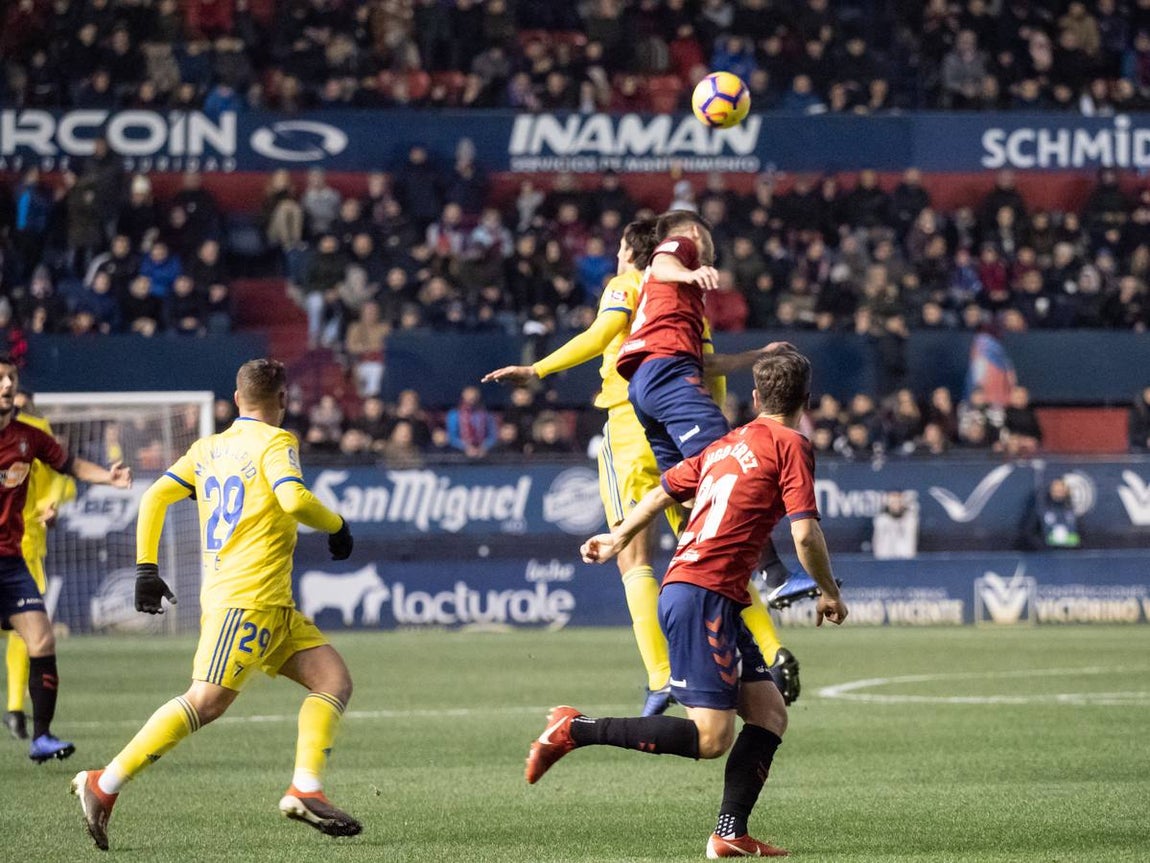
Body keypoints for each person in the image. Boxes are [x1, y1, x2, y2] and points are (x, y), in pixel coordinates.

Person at [525, 349, 847, 858]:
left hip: (710, 591)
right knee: (711, 737)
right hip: (703, 595)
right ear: (806, 402)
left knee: (769, 713)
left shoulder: (728, 444)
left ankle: (729, 834)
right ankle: (576, 729)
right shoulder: (793, 445)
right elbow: (805, 534)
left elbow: (659, 494)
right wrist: (829, 591)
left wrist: (615, 539)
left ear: (757, 397)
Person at [482, 221, 802, 714]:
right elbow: (707, 368)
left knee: (633, 558)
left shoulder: (630, 284)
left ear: (633, 251)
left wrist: (538, 369)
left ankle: (660, 677)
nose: (614, 255)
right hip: (680, 416)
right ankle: (771, 647)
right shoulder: (687, 302)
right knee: (714, 545)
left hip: (633, 425)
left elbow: (601, 332)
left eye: (618, 248)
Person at [70, 359, 360, 850]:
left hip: (273, 604)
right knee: (206, 700)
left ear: (236, 396)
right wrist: (337, 525)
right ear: (283, 399)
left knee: (332, 680)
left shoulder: (208, 448)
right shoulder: (276, 442)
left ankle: (305, 787)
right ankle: (104, 783)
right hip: (245, 600)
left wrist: (146, 566)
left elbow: (155, 497)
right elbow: (292, 499)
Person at [0, 359, 131, 762]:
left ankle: (41, 737)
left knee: (41, 639)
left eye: (12, 378)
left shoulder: (29, 436)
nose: (6, 384)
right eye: (0, 378)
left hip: (10, 560)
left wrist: (108, 477)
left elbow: (69, 464)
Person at [4, 390, 76, 741]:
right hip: (21, 546)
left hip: (23, 544)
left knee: (29, 631)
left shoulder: (31, 431)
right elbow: (62, 480)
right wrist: (52, 501)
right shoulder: (33, 427)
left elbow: (60, 477)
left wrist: (50, 501)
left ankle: (18, 711)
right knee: (28, 631)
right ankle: (16, 710)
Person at [872, 490, 918, 559]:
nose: (896, 505)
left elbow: (910, 549)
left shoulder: (910, 519)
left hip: (906, 562)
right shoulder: (881, 519)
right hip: (884, 562)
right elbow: (878, 547)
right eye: (893, 502)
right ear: (887, 503)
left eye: (898, 501)